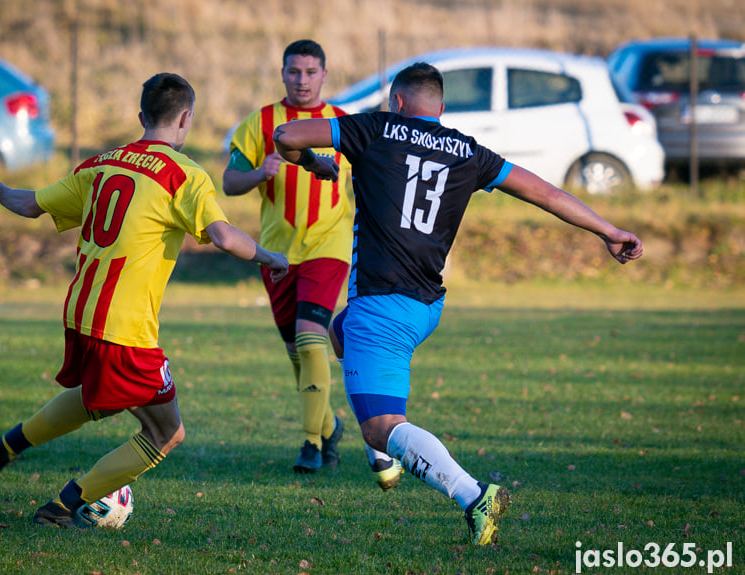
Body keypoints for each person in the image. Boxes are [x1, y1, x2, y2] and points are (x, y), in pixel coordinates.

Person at [272, 62, 643, 545]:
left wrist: (313, 163)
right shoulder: (467, 150)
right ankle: (384, 443)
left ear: (397, 103)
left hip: (383, 308)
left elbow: (287, 133)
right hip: (426, 306)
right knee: (338, 332)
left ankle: (470, 494)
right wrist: (609, 231)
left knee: (382, 425)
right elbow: (545, 193)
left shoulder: (375, 128)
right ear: (441, 109)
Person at [0, 72, 289, 529]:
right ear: (186, 119)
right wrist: (272, 257)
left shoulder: (101, 164)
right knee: (165, 433)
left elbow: (32, 204)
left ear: (141, 117)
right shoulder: (184, 175)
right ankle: (62, 507)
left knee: (99, 399)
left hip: (81, 312)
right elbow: (223, 236)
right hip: (124, 327)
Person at [222, 39, 353, 474]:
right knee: (298, 352)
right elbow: (229, 182)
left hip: (328, 246)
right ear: (282, 73)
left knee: (311, 335)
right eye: (294, 72)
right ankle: (331, 425)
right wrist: (260, 172)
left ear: (324, 75)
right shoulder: (260, 123)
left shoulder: (345, 123)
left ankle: (311, 444)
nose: (302, 80)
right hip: (277, 253)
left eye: (310, 72)